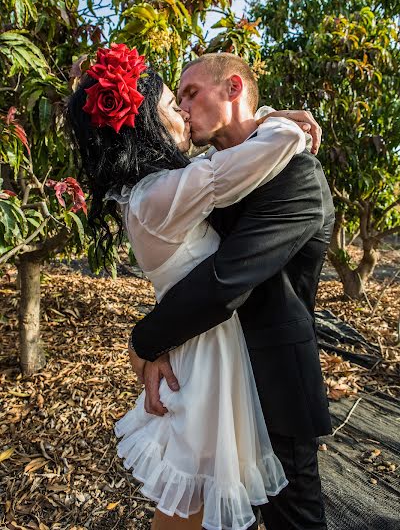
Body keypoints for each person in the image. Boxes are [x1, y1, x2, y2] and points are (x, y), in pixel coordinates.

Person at [68, 44, 319, 530]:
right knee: (191, 504)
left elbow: (227, 270)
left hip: (232, 360)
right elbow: (265, 150)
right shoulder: (164, 192)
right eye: (171, 104)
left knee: (218, 508)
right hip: (204, 366)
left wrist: (259, 114)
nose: (182, 110)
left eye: (187, 96)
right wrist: (279, 120)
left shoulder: (157, 188)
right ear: (146, 126)